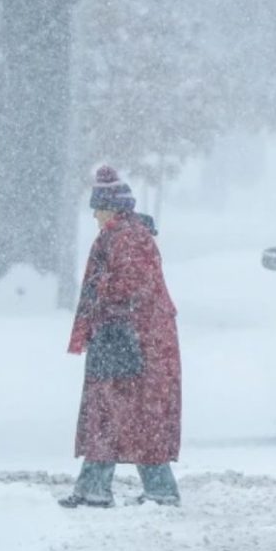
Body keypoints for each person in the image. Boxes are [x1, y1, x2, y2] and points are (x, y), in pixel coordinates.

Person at [59, 165, 182, 508]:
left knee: (125, 414)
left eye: (97, 208)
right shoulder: (123, 235)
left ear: (111, 208)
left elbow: (128, 287)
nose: (95, 215)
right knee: (122, 414)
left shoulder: (126, 237)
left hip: (135, 342)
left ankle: (150, 491)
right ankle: (102, 489)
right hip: (130, 339)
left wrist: (100, 300)